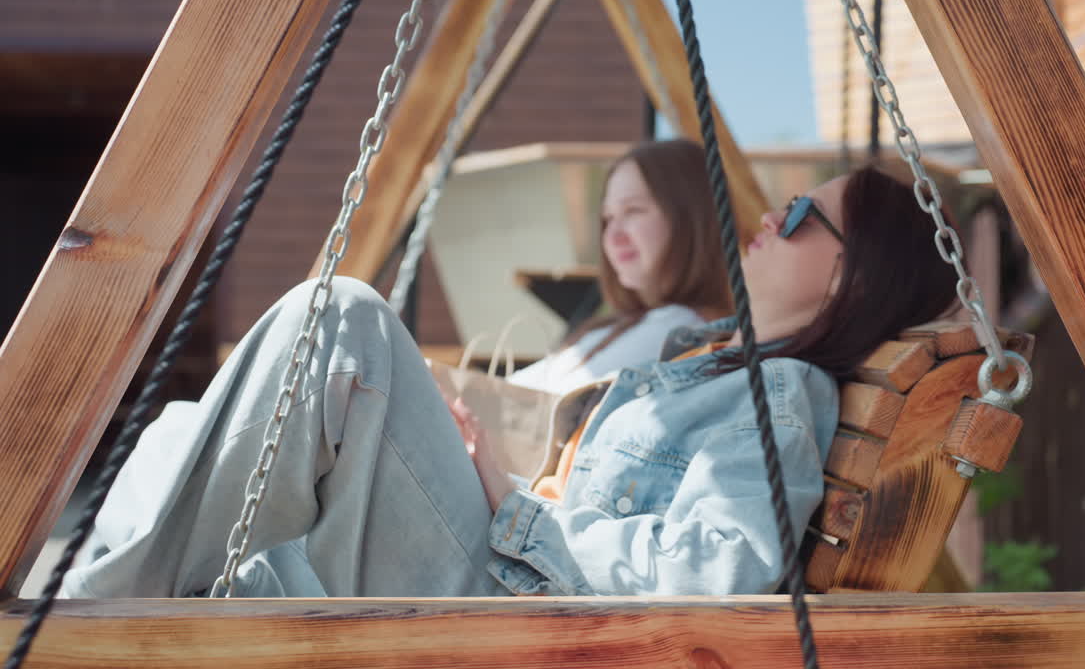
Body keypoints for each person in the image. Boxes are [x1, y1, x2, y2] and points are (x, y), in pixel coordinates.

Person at [63, 165, 957, 599]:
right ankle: (85, 607)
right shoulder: (706, 357)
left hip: (522, 614)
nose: (774, 211)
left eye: (804, 214)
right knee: (182, 426)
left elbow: (714, 572)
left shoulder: (780, 395)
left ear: (850, 277)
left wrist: (509, 501)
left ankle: (83, 623)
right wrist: (505, 482)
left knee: (341, 324)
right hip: (509, 571)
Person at [506, 139, 732, 395]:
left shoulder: (682, 331)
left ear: (691, 220)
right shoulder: (620, 326)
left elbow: (550, 404)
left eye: (633, 211)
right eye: (608, 218)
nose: (613, 236)